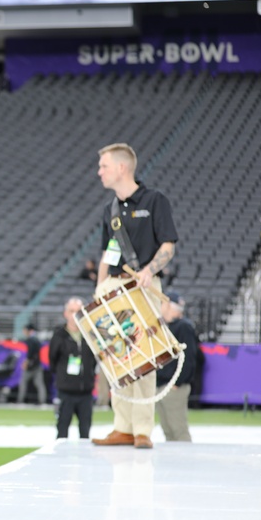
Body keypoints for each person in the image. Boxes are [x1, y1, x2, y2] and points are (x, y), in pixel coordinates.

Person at [91, 143, 177, 450]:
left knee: (144, 359)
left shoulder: (155, 201)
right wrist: (98, 293)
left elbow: (168, 246)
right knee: (116, 361)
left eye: (103, 166)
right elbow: (107, 254)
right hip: (113, 289)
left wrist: (149, 270)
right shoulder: (109, 211)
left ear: (121, 168)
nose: (99, 171)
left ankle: (142, 429)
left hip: (143, 288)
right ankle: (121, 427)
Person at [49, 298, 96, 439]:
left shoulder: (91, 334)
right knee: (62, 431)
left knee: (85, 432)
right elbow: (53, 360)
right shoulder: (59, 336)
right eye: (71, 311)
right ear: (65, 313)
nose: (75, 315)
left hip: (85, 392)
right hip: (66, 392)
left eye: (78, 311)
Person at [156, 290, 197, 442]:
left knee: (178, 430)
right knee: (167, 429)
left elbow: (189, 359)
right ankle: (173, 463)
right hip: (162, 385)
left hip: (173, 386)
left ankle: (185, 463)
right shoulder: (165, 327)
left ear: (167, 305)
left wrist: (177, 383)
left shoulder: (183, 327)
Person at [17, 323, 46, 405]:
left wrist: (26, 362)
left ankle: (20, 400)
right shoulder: (37, 339)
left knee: (23, 383)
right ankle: (42, 401)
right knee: (40, 384)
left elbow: (30, 354)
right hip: (37, 365)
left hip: (31, 365)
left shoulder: (31, 340)